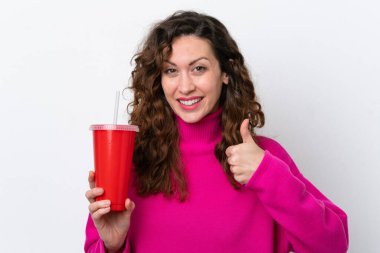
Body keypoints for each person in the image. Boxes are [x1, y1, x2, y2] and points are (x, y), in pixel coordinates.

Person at [84, 10, 349, 253]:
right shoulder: (128, 161)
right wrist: (113, 246)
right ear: (159, 80)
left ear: (225, 72)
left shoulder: (264, 158)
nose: (185, 86)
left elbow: (333, 245)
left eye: (199, 68)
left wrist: (267, 174)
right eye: (171, 71)